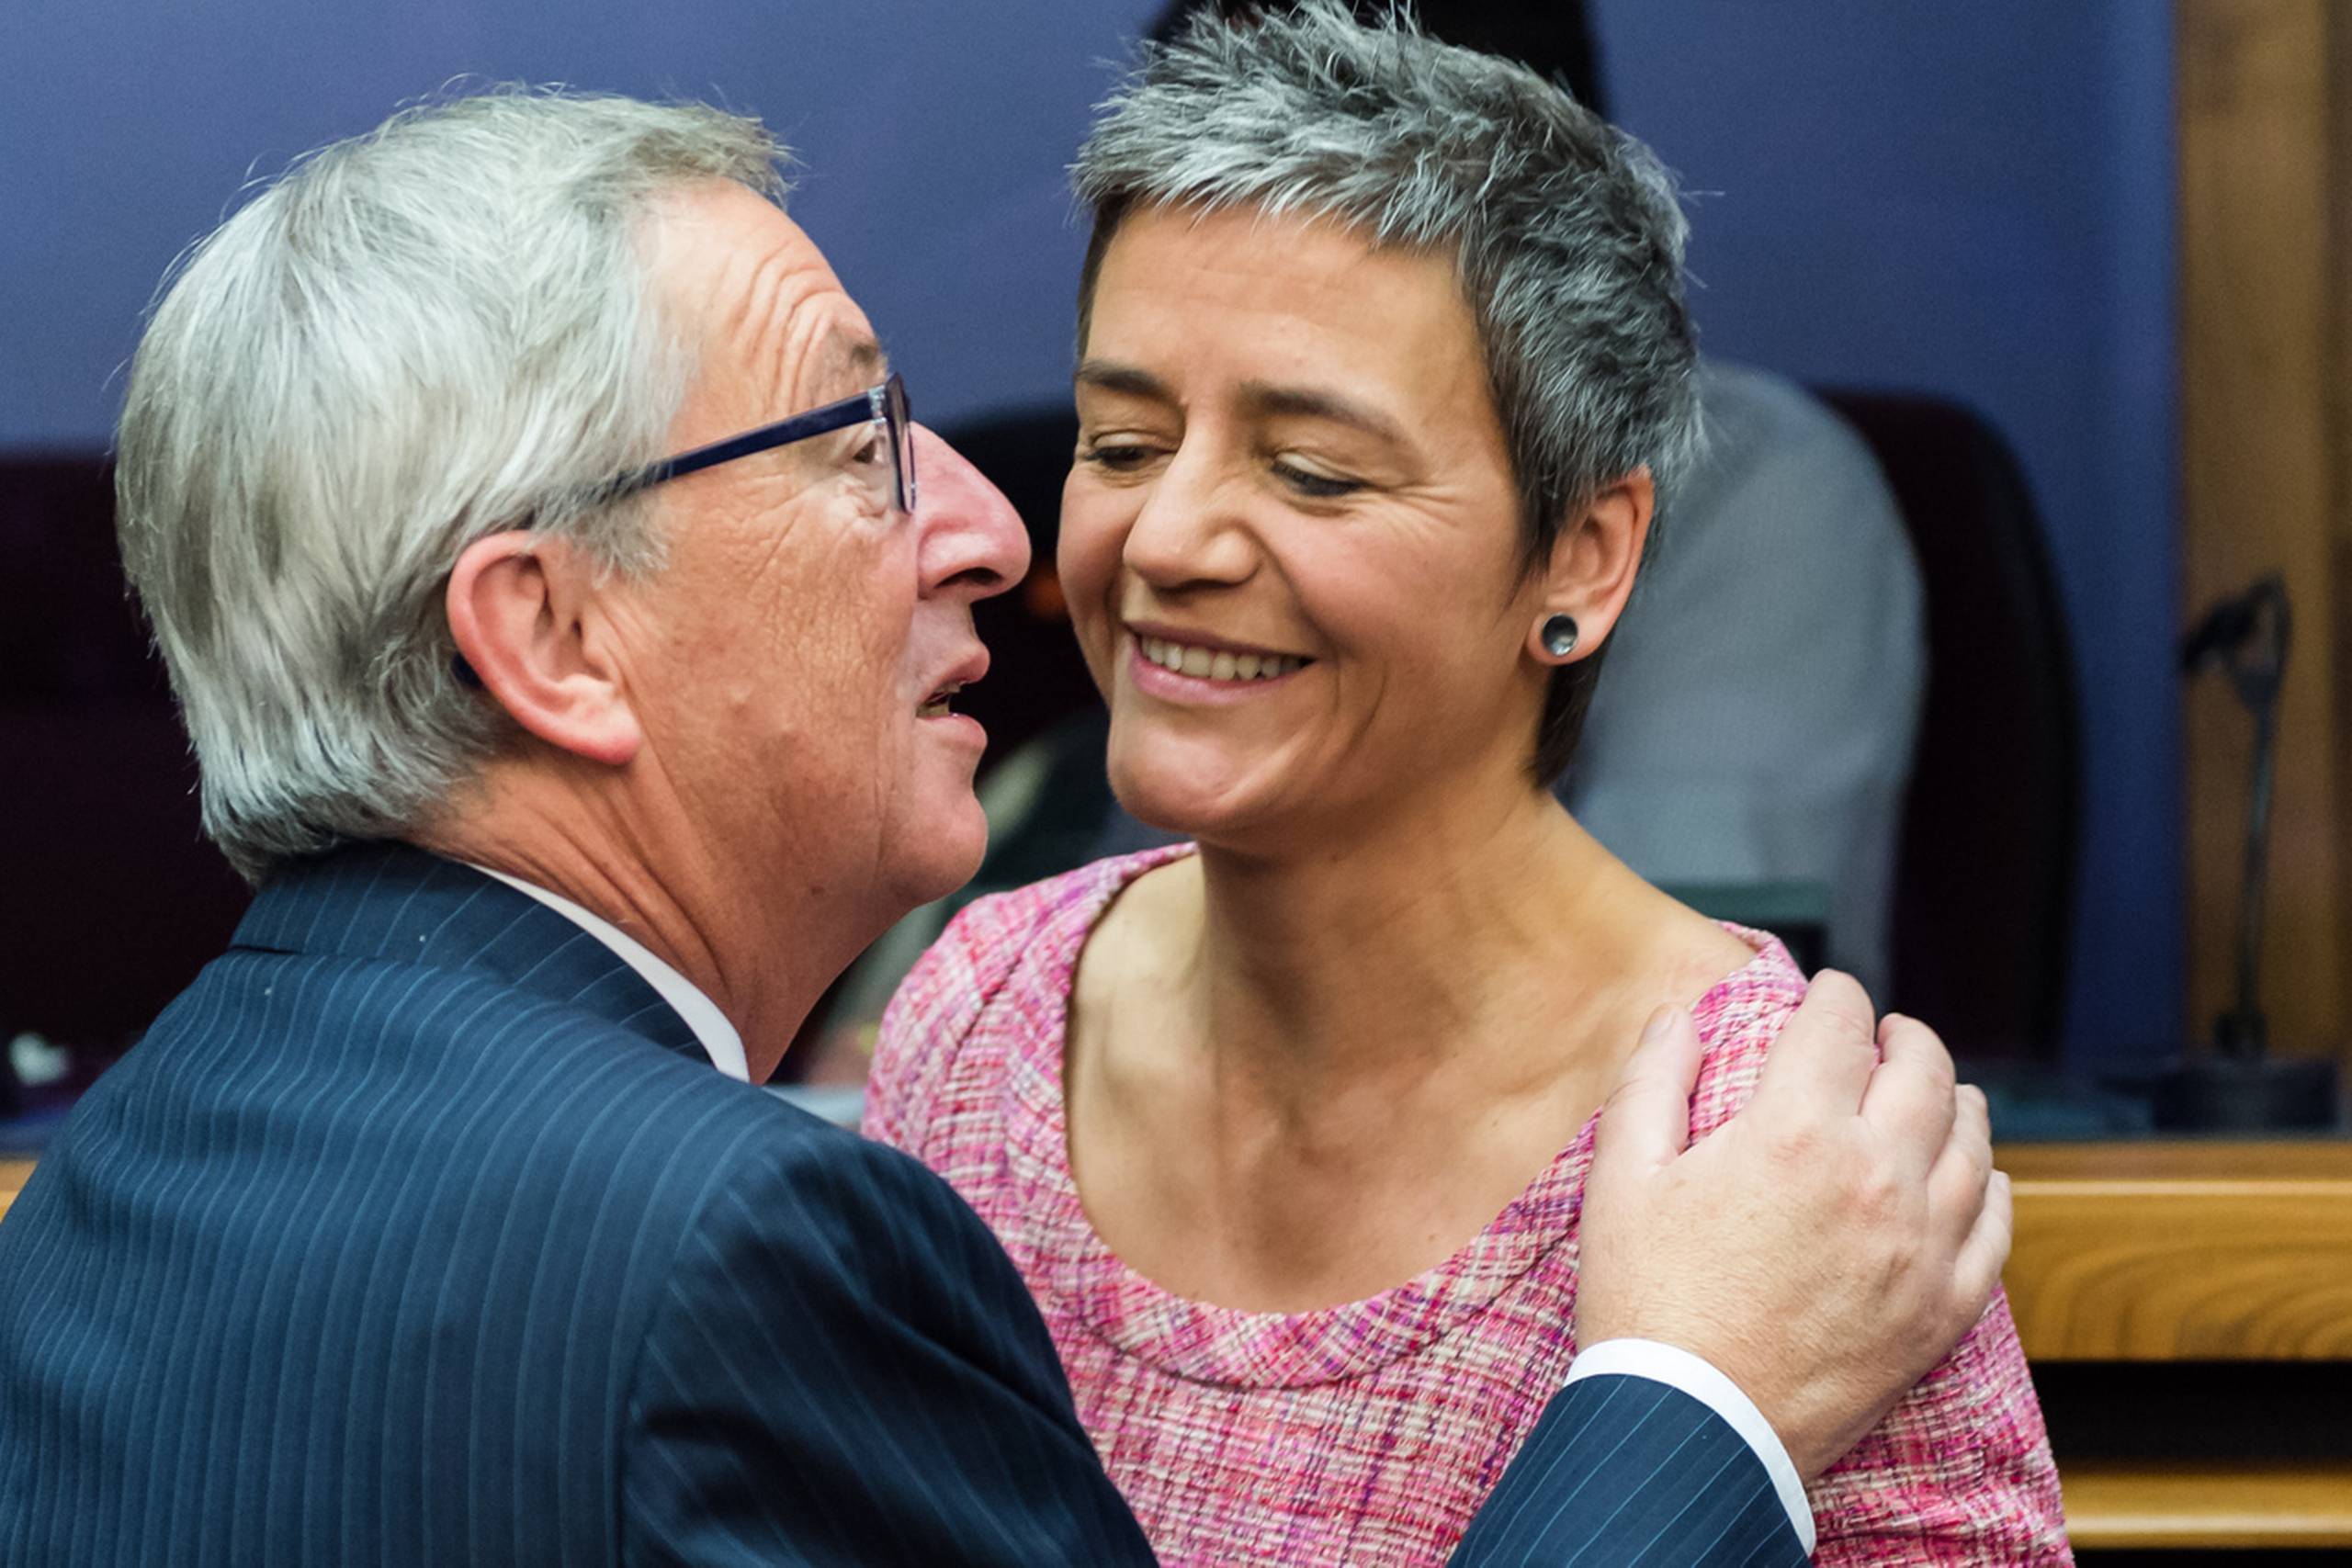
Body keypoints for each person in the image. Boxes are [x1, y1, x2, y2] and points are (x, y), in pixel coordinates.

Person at [0, 85, 1997, 1568]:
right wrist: (1690, 1400)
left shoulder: (113, 1175)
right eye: (853, 443)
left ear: (1582, 549)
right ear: (553, 631)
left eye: (1309, 463)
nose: (1008, 530)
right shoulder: (768, 1229)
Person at [868, 7, 2065, 1565]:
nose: (1163, 541)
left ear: (1581, 558)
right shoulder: (982, 1019)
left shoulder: (1784, 1157)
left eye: (1313, 470)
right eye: (1123, 439)